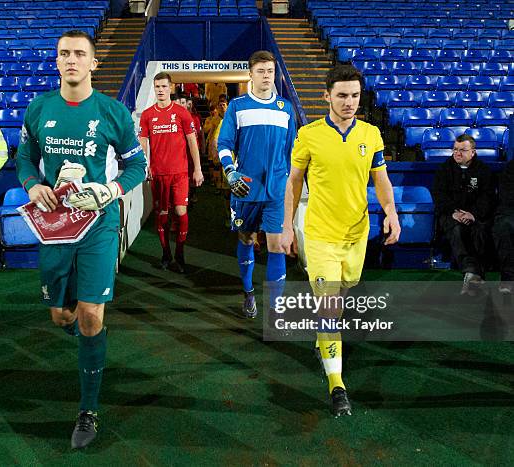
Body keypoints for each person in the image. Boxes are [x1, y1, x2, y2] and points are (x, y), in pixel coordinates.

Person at [16, 30, 146, 449]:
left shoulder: (113, 113)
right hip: (54, 226)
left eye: (79, 54)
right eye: (63, 54)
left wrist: (110, 191)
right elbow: (23, 157)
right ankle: (90, 341)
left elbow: (135, 167)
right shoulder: (39, 108)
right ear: (56, 61)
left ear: (93, 63)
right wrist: (32, 184)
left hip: (98, 224)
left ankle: (87, 410)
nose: (70, 60)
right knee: (64, 317)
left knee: (91, 313)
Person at [281, 64, 401, 416]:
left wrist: (391, 212)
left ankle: (324, 342)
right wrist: (287, 226)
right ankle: (337, 386)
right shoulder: (308, 135)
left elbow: (380, 179)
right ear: (327, 96)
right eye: (342, 96)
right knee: (329, 306)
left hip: (356, 233)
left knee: (348, 284)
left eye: (354, 96)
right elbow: (293, 183)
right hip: (319, 235)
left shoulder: (371, 134)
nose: (349, 102)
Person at [217, 50, 297, 319]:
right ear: (250, 74)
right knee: (247, 239)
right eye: (261, 71)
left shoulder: (286, 109)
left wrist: (289, 183)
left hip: (276, 190)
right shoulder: (237, 106)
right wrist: (230, 172)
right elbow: (224, 144)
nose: (266, 76)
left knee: (277, 247)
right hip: (246, 190)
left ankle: (275, 310)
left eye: (270, 71)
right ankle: (249, 292)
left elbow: (291, 154)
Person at [139, 73, 203, 273]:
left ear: (171, 88)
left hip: (180, 173)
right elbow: (143, 141)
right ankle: (166, 253)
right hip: (158, 173)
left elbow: (192, 141)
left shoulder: (181, 113)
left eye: (164, 86)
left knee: (181, 211)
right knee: (162, 214)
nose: (160, 90)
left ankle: (180, 254)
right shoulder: (148, 114)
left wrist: (198, 169)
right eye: (157, 86)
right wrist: (145, 164)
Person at [432, 134, 494, 295]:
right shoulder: (444, 169)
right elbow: (439, 196)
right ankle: (473, 273)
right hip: (450, 215)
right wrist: (454, 213)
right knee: (457, 230)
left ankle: (472, 275)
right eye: (455, 150)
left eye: (462, 150)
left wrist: (473, 213)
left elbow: (487, 197)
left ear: (472, 152)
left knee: (480, 230)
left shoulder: (484, 170)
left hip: (475, 215)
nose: (457, 153)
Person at [493, 159, 514, 293]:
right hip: (511, 211)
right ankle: (508, 278)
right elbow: (506, 196)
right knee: (504, 226)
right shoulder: (511, 168)